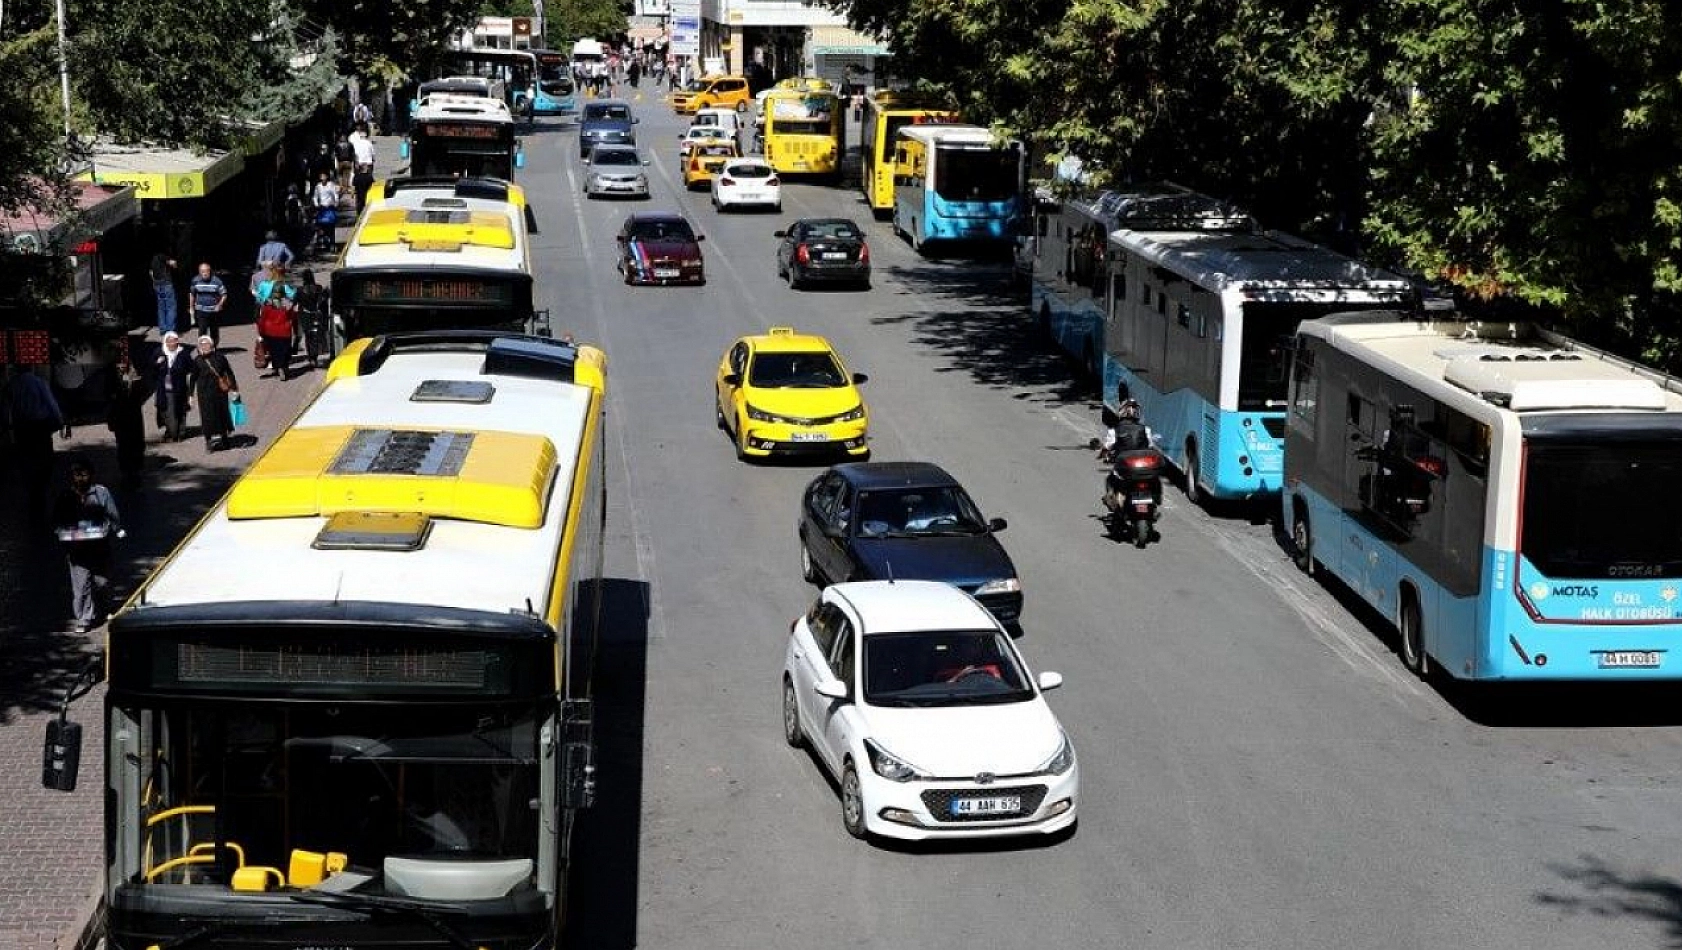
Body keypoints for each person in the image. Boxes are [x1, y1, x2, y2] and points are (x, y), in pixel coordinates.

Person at [53, 460, 123, 633]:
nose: (81, 479)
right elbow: (57, 518)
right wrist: (60, 532)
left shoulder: (101, 493)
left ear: (91, 475)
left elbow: (112, 514)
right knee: (81, 584)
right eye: (77, 475)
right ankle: (84, 618)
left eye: (84, 474)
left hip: (99, 547)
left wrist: (117, 529)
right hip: (76, 549)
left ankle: (105, 607)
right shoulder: (65, 496)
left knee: (102, 582)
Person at [6, 368, 68, 532]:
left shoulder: (12, 385)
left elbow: (8, 408)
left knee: (27, 461)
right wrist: (60, 422)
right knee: (45, 461)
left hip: (22, 429)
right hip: (39, 428)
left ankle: (33, 492)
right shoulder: (38, 383)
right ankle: (39, 490)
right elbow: (51, 404)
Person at [191, 336, 239, 451]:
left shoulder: (220, 357)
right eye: (202, 344)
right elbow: (193, 378)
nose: (204, 346)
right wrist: (190, 395)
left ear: (212, 345)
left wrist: (234, 389)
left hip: (220, 391)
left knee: (222, 414)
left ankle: (224, 438)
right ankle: (208, 440)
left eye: (207, 344)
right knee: (207, 416)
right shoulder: (197, 360)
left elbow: (229, 372)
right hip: (204, 392)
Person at [105, 364, 146, 487]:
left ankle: (135, 472)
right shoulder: (111, 377)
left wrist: (136, 381)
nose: (122, 366)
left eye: (124, 364)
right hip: (120, 418)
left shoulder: (136, 375)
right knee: (123, 446)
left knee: (137, 445)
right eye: (119, 364)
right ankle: (126, 473)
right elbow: (108, 397)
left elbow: (142, 392)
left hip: (134, 418)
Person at [254, 267, 298, 380]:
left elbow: (262, 319)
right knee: (285, 350)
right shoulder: (287, 305)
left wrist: (261, 332)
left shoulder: (267, 305)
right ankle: (284, 366)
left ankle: (278, 367)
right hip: (285, 331)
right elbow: (292, 316)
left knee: (274, 351)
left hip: (270, 331)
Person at [154, 332, 193, 441]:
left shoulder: (183, 353)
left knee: (180, 410)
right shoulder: (159, 352)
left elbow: (191, 368)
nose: (172, 343)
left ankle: (180, 432)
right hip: (163, 389)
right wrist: (157, 364)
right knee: (165, 410)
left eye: (175, 341)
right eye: (169, 341)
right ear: (165, 342)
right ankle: (170, 431)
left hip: (179, 388)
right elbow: (151, 370)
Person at [185, 263, 228, 346]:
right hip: (201, 310)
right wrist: (191, 308)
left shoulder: (217, 281)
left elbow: (224, 294)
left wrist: (220, 305)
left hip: (214, 310)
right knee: (202, 330)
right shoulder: (195, 280)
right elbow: (192, 294)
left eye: (206, 271)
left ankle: (214, 348)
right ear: (199, 272)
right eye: (202, 271)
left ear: (210, 271)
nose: (204, 273)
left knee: (214, 331)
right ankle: (202, 348)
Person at [295, 269, 330, 368]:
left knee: (308, 337)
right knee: (315, 336)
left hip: (305, 316)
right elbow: (323, 300)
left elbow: (295, 301)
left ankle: (311, 358)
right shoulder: (318, 288)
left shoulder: (300, 290)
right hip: (316, 315)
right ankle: (314, 357)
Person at [149, 251, 179, 335]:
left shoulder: (153, 258)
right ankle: (170, 330)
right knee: (171, 307)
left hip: (157, 284)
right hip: (166, 283)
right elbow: (173, 263)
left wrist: (154, 283)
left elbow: (151, 273)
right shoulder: (162, 255)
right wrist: (175, 266)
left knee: (161, 307)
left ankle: (163, 329)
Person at [311, 172, 341, 253]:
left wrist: (336, 203)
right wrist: (317, 205)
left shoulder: (331, 185)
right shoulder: (318, 186)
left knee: (331, 226)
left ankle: (332, 243)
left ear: (327, 177)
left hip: (330, 207)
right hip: (322, 208)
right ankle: (323, 242)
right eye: (321, 177)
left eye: (324, 176)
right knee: (321, 226)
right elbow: (315, 197)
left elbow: (335, 195)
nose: (323, 178)